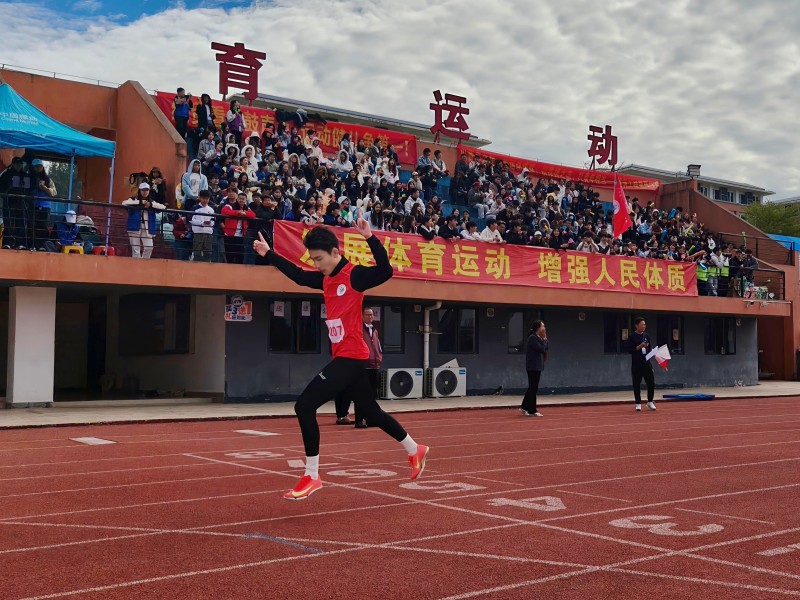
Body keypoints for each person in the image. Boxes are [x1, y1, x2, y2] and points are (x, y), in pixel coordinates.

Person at [253, 220, 429, 500]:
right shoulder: (325, 279)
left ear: (335, 253)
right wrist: (269, 254)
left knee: (304, 406)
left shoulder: (354, 275)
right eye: (313, 259)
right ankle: (414, 448)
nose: (317, 264)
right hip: (346, 357)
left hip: (352, 356)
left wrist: (370, 237)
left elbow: (385, 271)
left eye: (319, 259)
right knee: (371, 413)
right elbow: (298, 276)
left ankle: (312, 475)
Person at [335, 307, 383, 428]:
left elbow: (377, 346)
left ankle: (370, 419)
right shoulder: (359, 330)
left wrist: (379, 358)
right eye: (367, 315)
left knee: (372, 395)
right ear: (361, 316)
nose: (370, 317)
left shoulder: (375, 330)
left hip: (374, 365)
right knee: (361, 394)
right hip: (363, 365)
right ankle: (359, 420)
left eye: (371, 315)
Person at [122, 183, 165, 258]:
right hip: (134, 227)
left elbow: (163, 207)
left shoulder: (151, 202)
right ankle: (137, 264)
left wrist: (151, 205)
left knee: (149, 247)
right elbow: (124, 203)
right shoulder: (133, 200)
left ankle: (144, 262)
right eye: (143, 190)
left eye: (147, 190)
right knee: (135, 250)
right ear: (140, 191)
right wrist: (140, 202)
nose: (145, 192)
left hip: (147, 228)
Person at [627, 317, 656, 412]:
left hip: (647, 363)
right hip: (637, 364)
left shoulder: (646, 336)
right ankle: (638, 403)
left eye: (645, 324)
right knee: (636, 384)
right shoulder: (632, 336)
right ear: (636, 325)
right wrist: (640, 346)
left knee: (651, 383)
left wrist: (652, 351)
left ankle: (650, 401)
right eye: (642, 324)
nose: (644, 326)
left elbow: (649, 348)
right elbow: (630, 350)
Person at [520, 320, 548, 417]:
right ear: (538, 328)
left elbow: (546, 347)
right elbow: (541, 349)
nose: (544, 328)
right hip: (533, 366)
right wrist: (544, 340)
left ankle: (524, 407)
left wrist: (544, 339)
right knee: (533, 388)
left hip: (537, 366)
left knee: (533, 388)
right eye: (542, 326)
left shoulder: (539, 338)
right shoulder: (532, 338)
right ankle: (532, 410)